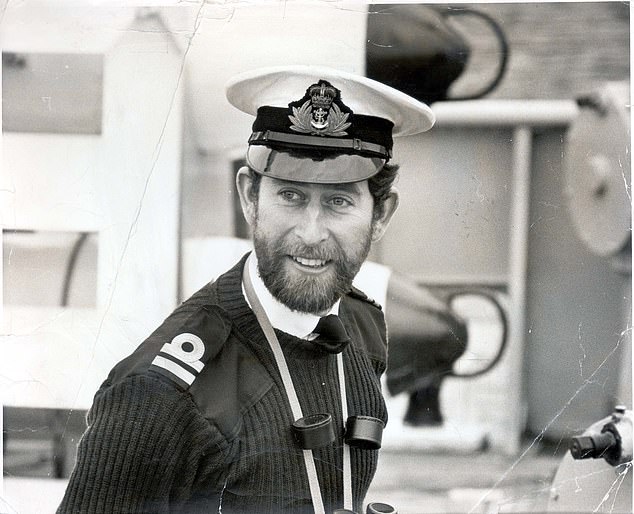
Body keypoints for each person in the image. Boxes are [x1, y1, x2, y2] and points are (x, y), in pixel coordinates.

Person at [57, 65, 434, 514]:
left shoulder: (362, 324)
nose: (311, 234)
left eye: (338, 200)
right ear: (249, 198)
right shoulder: (159, 397)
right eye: (291, 196)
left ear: (381, 214)